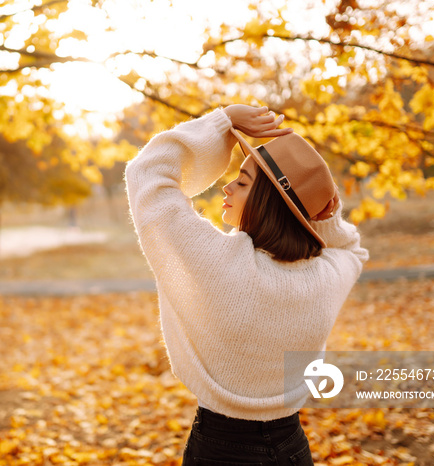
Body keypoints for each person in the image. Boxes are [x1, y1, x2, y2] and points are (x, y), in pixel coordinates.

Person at [125, 104, 368, 465]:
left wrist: (222, 122)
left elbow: (147, 173)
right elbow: (351, 248)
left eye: (241, 182)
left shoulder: (218, 262)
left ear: (269, 202)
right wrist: (325, 217)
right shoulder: (325, 278)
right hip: (292, 449)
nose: (227, 185)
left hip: (221, 450)